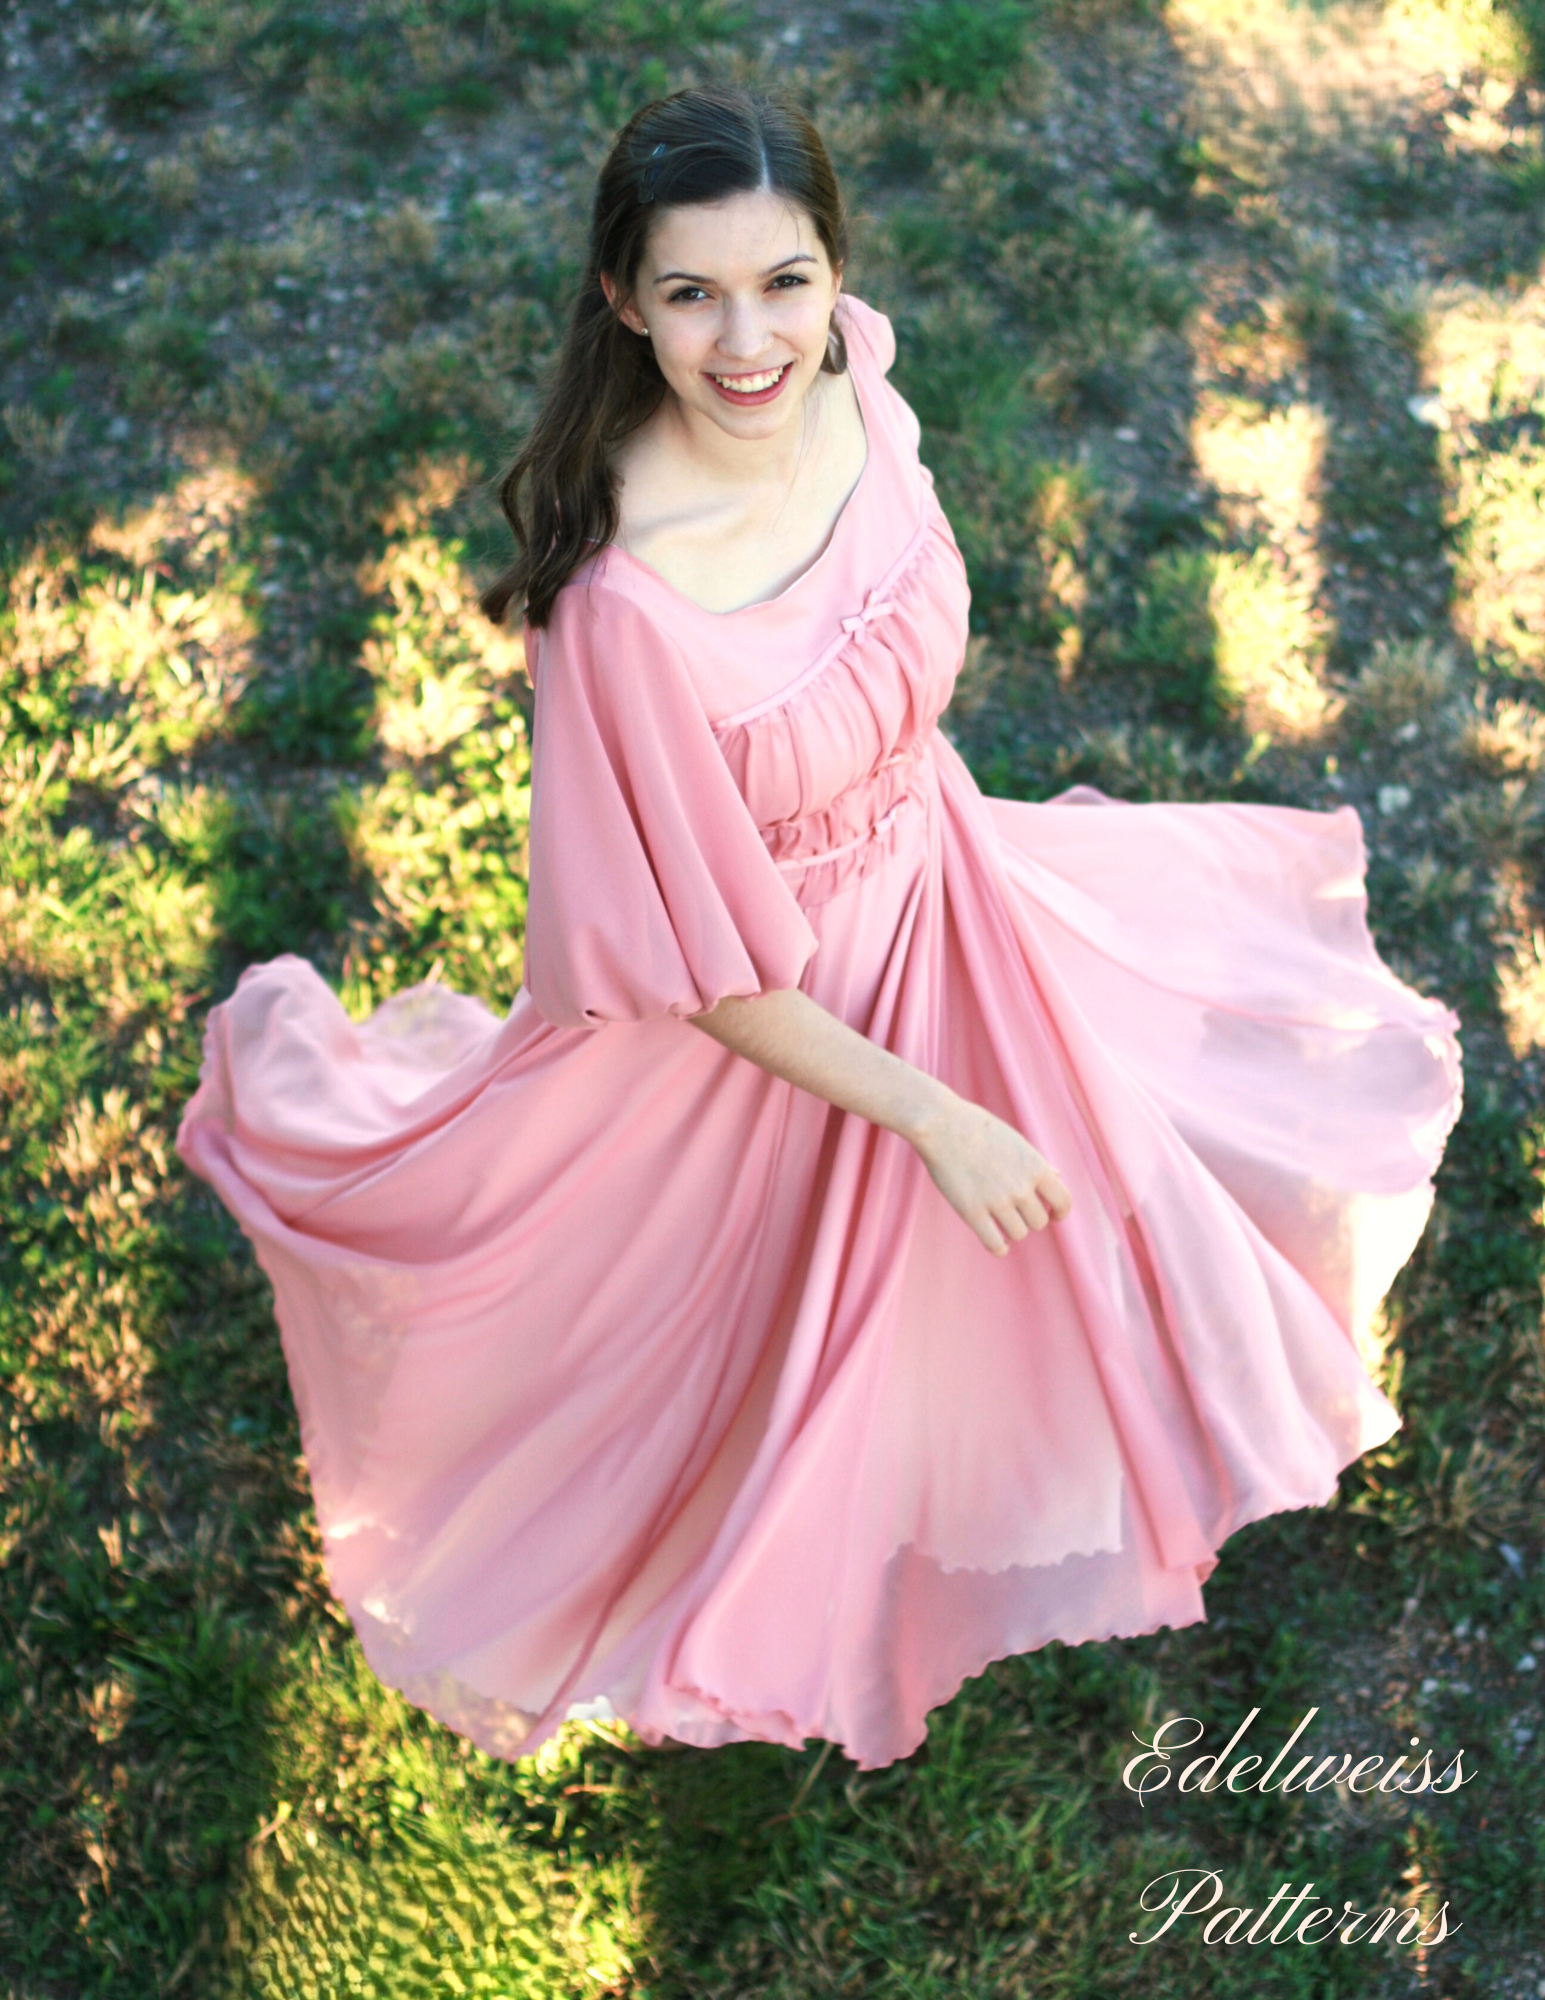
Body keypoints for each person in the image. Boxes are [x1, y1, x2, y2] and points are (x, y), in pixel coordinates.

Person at [177, 84, 1464, 1773]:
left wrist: (909, 862)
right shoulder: (624, 609)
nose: (750, 341)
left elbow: (895, 644)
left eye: (784, 279)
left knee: (1070, 1241)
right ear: (624, 302)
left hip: (943, 900)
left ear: (833, 267)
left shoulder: (852, 366)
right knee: (703, 1354)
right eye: (692, 293)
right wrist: (931, 1109)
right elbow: (700, 973)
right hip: (760, 1032)